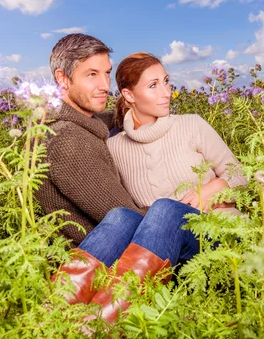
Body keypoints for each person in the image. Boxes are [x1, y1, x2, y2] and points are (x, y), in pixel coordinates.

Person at [60, 52, 247, 327]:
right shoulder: (115, 147)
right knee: (121, 217)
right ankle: (52, 314)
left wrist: (215, 187)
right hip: (163, 253)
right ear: (129, 95)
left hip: (219, 238)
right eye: (153, 85)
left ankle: (101, 327)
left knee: (164, 208)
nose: (167, 93)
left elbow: (240, 175)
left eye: (167, 82)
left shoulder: (191, 124)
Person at [35, 33, 144, 246]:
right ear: (62, 78)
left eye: (107, 73)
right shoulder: (68, 141)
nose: (105, 85)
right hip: (100, 263)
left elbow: (96, 121)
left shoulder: (55, 121)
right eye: (92, 74)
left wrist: (131, 111)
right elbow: (131, 220)